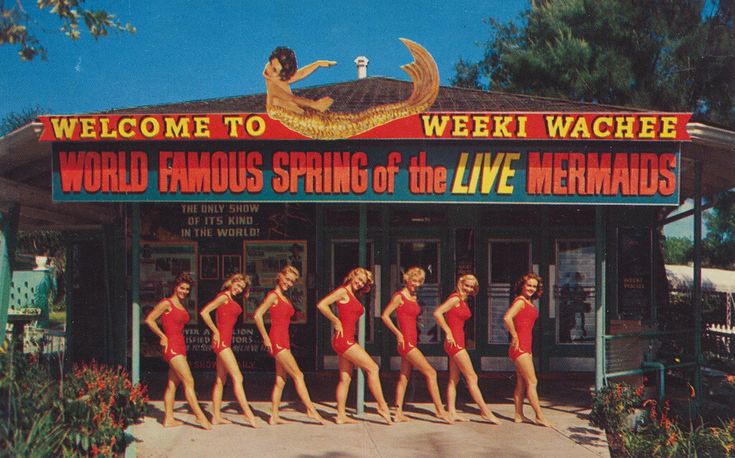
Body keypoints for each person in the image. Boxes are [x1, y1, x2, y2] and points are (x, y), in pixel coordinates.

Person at [316, 267, 392, 425]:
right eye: (358, 279)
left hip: (346, 339)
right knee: (373, 368)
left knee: (345, 378)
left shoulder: (353, 295)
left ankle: (340, 415)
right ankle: (382, 406)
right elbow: (322, 305)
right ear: (352, 276)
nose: (360, 283)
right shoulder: (342, 291)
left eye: (363, 282)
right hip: (344, 340)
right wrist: (335, 320)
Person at [253, 266, 326, 425]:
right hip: (277, 340)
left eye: (292, 281)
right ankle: (311, 410)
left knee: (281, 380)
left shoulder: (284, 297)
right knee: (298, 375)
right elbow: (257, 315)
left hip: (284, 339)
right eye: (287, 279)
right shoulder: (273, 295)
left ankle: (274, 416)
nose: (289, 283)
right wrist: (265, 338)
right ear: (280, 277)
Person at [381, 267, 451, 423]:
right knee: (431, 373)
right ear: (407, 279)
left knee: (404, 377)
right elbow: (385, 316)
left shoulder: (413, 297)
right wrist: (398, 333)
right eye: (414, 281)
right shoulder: (399, 296)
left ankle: (398, 412)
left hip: (413, 340)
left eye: (419, 282)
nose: (416, 284)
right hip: (406, 342)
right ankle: (440, 410)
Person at [144, 272, 212, 429]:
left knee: (172, 383)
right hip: (172, 347)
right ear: (175, 287)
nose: (184, 291)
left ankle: (168, 419)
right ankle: (200, 417)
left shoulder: (181, 304)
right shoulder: (167, 303)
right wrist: (162, 335)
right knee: (189, 381)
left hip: (180, 345)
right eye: (182, 288)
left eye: (187, 289)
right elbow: (149, 319)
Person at [434, 274, 500, 424]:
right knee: (472, 377)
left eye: (472, 286)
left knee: (454, 379)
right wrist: (448, 332)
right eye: (466, 285)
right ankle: (485, 411)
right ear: (460, 284)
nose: (469, 289)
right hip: (455, 342)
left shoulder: (462, 300)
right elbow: (437, 313)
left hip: (458, 342)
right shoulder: (455, 298)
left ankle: (451, 412)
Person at [199, 273, 259, 428]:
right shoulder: (224, 296)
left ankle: (216, 416)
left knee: (221, 380)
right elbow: (204, 312)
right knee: (238, 377)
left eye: (241, 288)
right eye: (237, 285)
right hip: (222, 342)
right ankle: (248, 415)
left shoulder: (231, 299)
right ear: (231, 282)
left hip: (226, 342)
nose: (238, 289)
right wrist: (215, 331)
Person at [504, 273, 552, 427]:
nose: (531, 288)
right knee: (532, 381)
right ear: (522, 286)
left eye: (534, 286)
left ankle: (518, 414)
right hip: (520, 347)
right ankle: (539, 416)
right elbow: (507, 318)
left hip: (526, 346)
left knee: (522, 382)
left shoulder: (528, 302)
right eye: (529, 285)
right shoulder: (520, 301)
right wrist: (514, 336)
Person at [263, 46, 336, 114]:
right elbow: (292, 98)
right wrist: (314, 104)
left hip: (291, 108)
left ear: (283, 76)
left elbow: (301, 74)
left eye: (274, 70)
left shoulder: (278, 79)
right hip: (278, 113)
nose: (268, 69)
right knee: (276, 101)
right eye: (270, 63)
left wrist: (318, 64)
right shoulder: (272, 84)